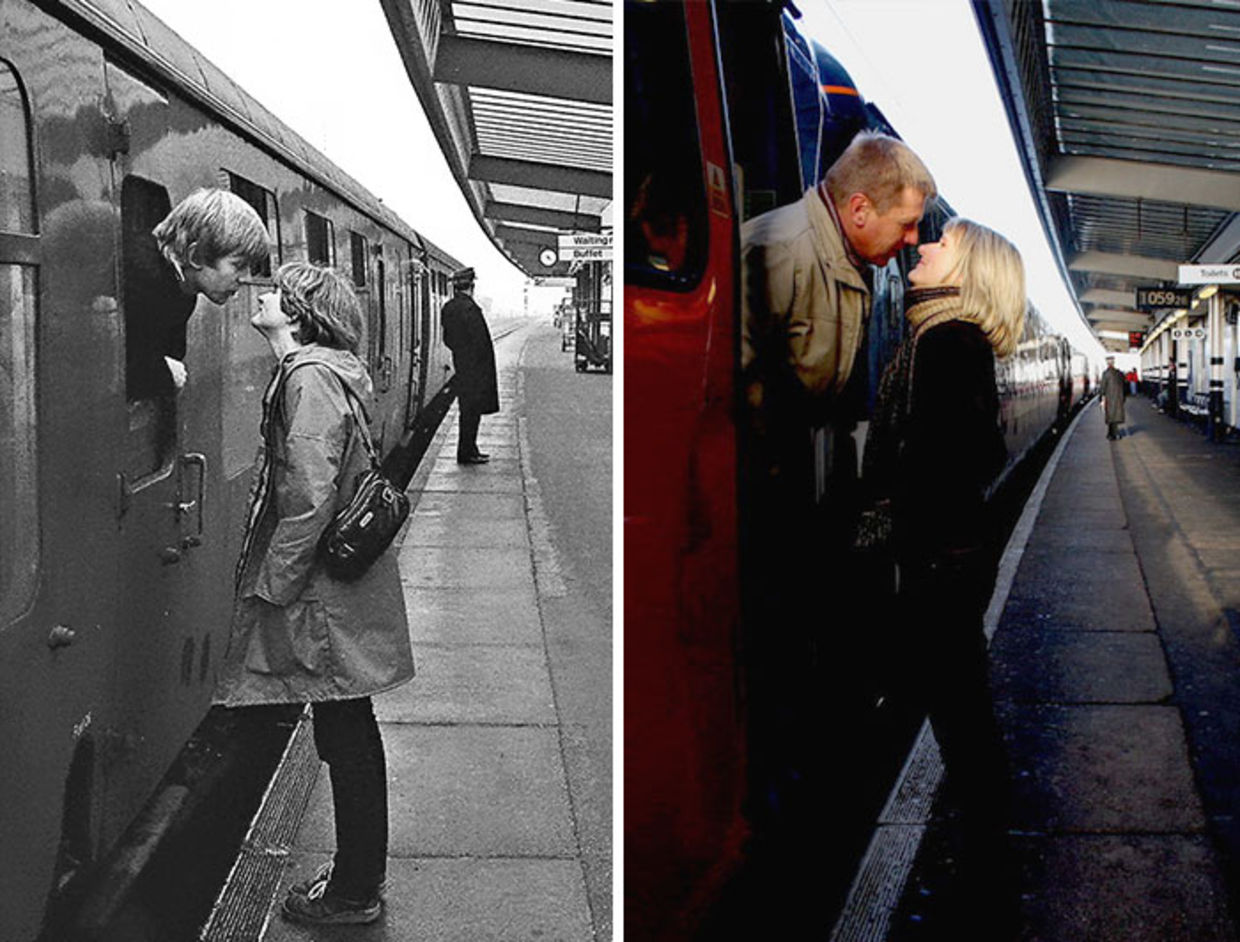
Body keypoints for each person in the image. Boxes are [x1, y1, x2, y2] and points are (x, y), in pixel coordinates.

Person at [735, 131, 937, 839]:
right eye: (907, 223)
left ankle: (807, 779)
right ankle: (775, 793)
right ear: (858, 209)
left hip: (795, 490)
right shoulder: (781, 249)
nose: (913, 239)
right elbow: (722, 387)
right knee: (775, 649)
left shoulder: (848, 258)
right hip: (755, 499)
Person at [214, 262, 415, 926]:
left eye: (276, 292)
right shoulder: (325, 371)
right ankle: (358, 876)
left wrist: (273, 589)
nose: (262, 295)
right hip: (336, 586)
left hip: (326, 592)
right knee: (346, 726)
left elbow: (308, 497)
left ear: (297, 314)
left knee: (346, 730)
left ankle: (355, 892)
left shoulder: (308, 379)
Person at [862, 217, 1026, 924]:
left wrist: (889, 519)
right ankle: (985, 860)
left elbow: (953, 457)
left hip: (941, 559)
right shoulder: (944, 341)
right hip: (952, 554)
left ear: (967, 273)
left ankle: (985, 878)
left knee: (960, 719)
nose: (922, 247)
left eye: (941, 243)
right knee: (960, 711)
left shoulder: (948, 345)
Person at [135, 187, 269, 397]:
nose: (246, 279)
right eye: (238, 265)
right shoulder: (136, 277)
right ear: (196, 256)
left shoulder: (184, 290)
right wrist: (162, 373)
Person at [441, 267, 499, 463]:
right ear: (471, 286)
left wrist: (462, 354)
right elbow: (479, 342)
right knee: (471, 412)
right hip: (475, 370)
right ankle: (467, 453)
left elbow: (448, 339)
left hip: (462, 366)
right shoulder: (470, 309)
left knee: (467, 410)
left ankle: (470, 449)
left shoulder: (449, 308)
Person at [1101, 356, 1127, 440]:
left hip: (1110, 398)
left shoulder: (1106, 373)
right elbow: (1124, 385)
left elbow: (1103, 387)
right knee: (1115, 416)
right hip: (1118, 397)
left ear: (1108, 363)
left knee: (1111, 416)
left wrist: (1101, 396)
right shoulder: (1119, 373)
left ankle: (1113, 434)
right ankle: (1111, 433)